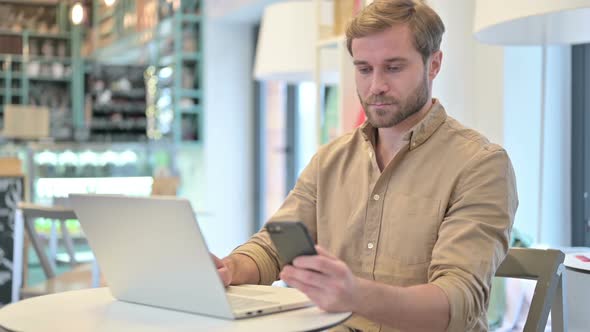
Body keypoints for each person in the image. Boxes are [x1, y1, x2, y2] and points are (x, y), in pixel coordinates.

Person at [213, 0, 518, 331]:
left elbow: (457, 304)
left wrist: (355, 294)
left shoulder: (480, 165)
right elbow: (271, 251)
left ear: (434, 64)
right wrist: (229, 267)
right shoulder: (329, 160)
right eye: (364, 69)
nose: (376, 86)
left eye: (394, 67)